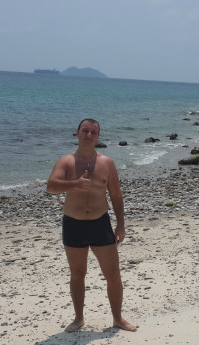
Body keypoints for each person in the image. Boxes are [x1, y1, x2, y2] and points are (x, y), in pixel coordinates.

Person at [46, 118, 137, 332]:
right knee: (78, 274)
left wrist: (121, 226)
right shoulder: (66, 161)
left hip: (100, 224)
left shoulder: (107, 163)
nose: (89, 135)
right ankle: (78, 318)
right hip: (73, 224)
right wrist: (75, 184)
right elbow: (51, 186)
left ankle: (118, 319)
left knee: (113, 274)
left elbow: (116, 194)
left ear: (98, 137)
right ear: (77, 133)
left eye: (93, 132)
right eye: (85, 131)